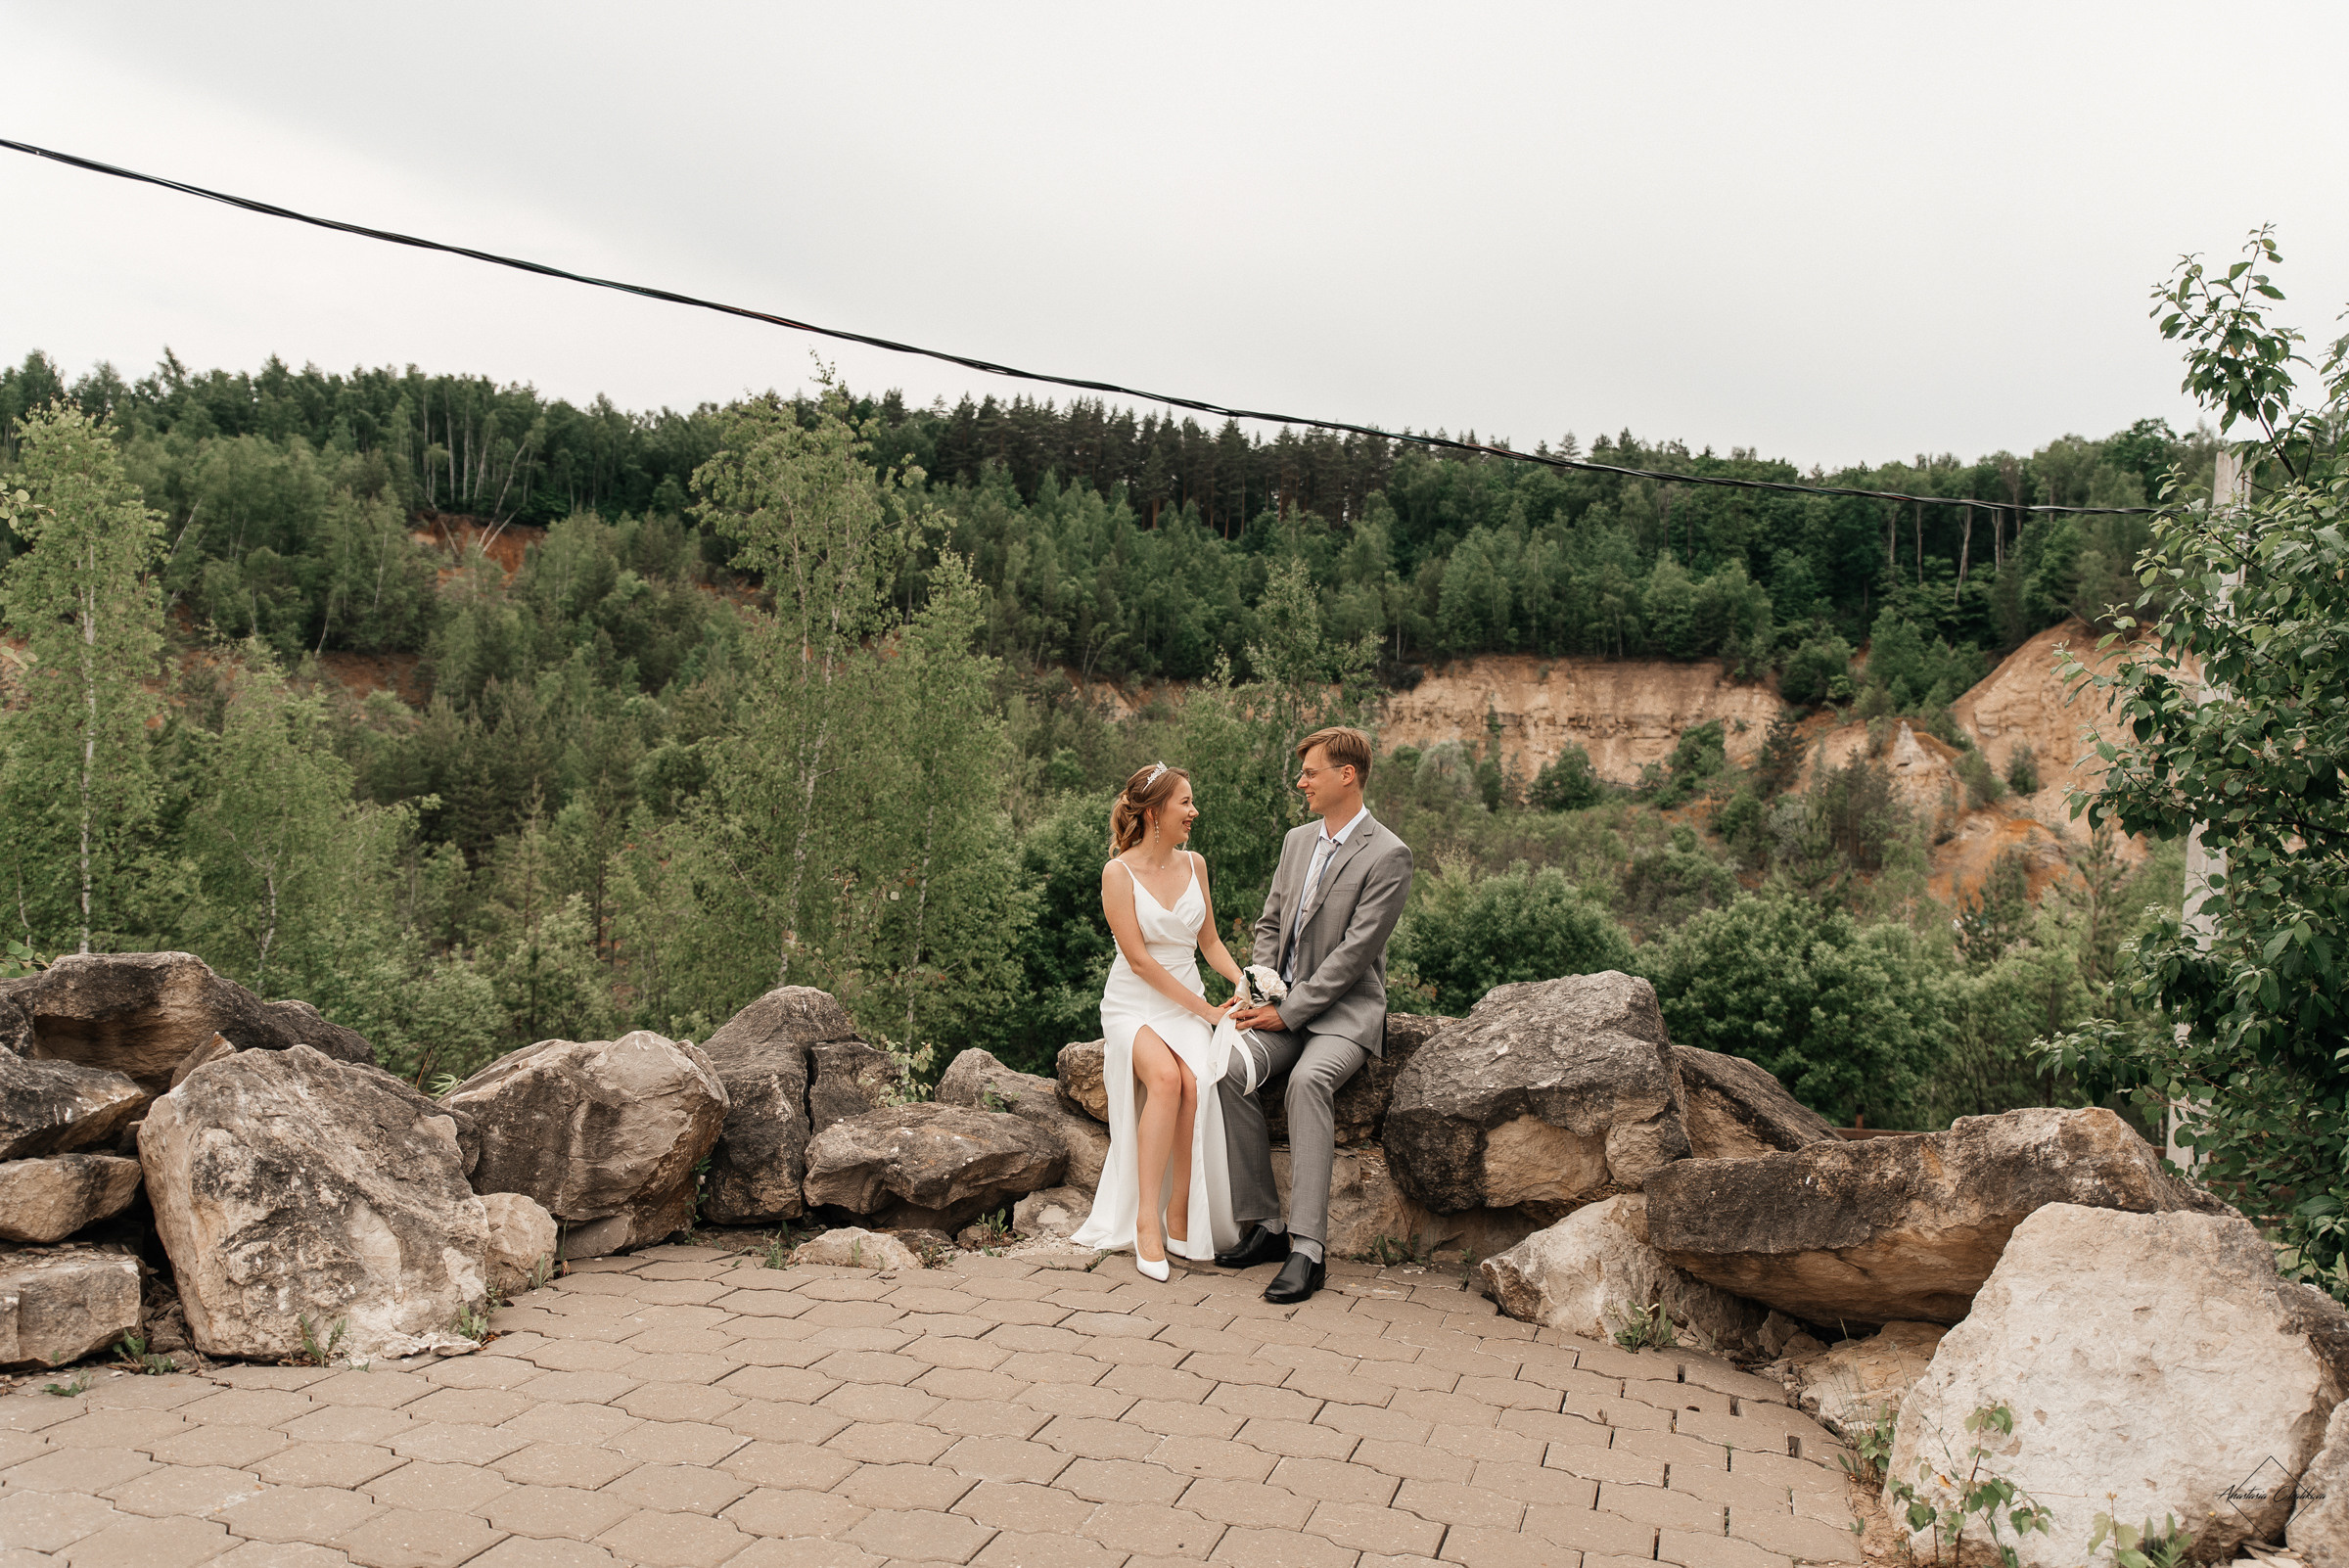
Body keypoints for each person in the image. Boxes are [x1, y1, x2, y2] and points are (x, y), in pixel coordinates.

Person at [1216, 726, 1413, 1303]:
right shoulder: (1296, 841)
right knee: (1229, 1069)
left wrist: (1292, 1011)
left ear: (1345, 775)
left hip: (1345, 1014)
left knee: (1307, 1082)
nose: (1300, 781)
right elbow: (1271, 924)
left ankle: (1309, 1250)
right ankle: (1268, 1226)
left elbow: (1355, 954)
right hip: (1280, 1006)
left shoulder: (1388, 853)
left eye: (1310, 772)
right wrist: (1259, 987)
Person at [1071, 762, 1248, 1280]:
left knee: (1198, 1083)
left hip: (1186, 998)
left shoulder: (1196, 864)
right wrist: (1209, 1012)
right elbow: (1142, 962)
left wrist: (1245, 985)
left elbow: (1209, 942)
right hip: (1134, 1004)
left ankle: (1181, 1208)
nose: (1193, 812)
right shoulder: (1117, 874)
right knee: (1168, 1079)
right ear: (1153, 813)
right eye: (1185, 803)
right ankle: (1147, 1220)